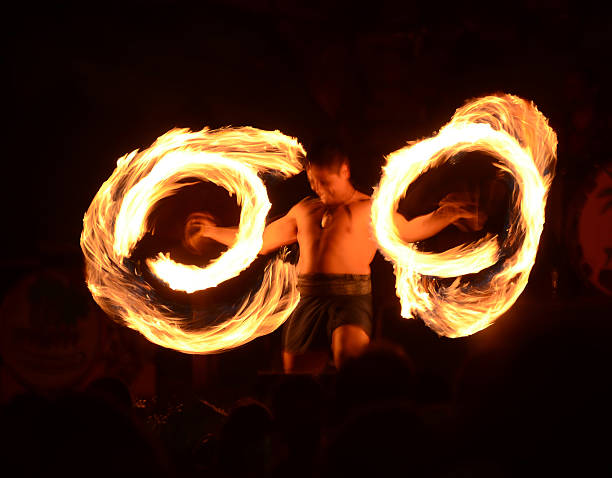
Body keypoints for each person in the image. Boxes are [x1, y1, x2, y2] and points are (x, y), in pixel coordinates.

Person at [184, 142, 484, 373]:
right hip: (309, 297)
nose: (320, 189)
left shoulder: (369, 210)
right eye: (314, 182)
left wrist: (446, 214)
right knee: (297, 378)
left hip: (350, 296)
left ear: (344, 172)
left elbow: (407, 230)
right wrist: (212, 231)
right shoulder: (305, 209)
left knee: (352, 367)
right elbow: (259, 241)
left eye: (326, 182)